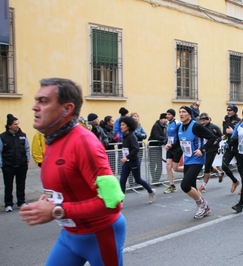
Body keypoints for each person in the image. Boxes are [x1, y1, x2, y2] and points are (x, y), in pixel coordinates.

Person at [19, 78, 125, 265]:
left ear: (66, 109)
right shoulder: (52, 139)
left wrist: (56, 211)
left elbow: (113, 201)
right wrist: (50, 200)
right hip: (70, 235)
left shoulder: (84, 143)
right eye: (36, 100)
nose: (35, 107)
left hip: (100, 235)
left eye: (43, 101)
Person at [172, 106, 216, 219]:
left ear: (189, 114)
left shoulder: (196, 126)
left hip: (197, 160)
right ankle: (205, 207)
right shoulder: (180, 127)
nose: (181, 114)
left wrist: (202, 150)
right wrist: (170, 146)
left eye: (184, 112)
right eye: (180, 112)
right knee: (192, 187)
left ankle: (201, 205)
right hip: (187, 160)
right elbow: (179, 144)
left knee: (184, 185)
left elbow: (212, 138)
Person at [119, 116, 156, 203]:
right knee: (122, 180)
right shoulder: (124, 135)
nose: (121, 126)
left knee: (138, 179)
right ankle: (120, 201)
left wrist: (126, 157)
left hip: (133, 161)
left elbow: (136, 149)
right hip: (126, 162)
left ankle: (151, 192)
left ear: (128, 126)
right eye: (121, 125)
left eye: (123, 125)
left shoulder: (132, 136)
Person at [0, 114, 30, 212]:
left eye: (18, 123)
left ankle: (21, 202)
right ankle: (8, 204)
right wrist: (2, 164)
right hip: (8, 166)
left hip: (21, 164)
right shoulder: (3, 137)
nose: (17, 125)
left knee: (21, 184)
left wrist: (27, 161)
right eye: (15, 124)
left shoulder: (23, 135)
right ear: (9, 126)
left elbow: (27, 149)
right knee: (8, 185)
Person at [198, 113, 224, 193]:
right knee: (206, 164)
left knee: (207, 166)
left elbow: (222, 136)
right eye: (201, 120)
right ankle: (219, 173)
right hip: (203, 148)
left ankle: (203, 186)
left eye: (204, 120)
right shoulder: (200, 127)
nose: (203, 122)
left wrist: (216, 141)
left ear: (209, 119)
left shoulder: (214, 127)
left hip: (212, 148)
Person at [221, 104, 241, 193]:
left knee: (241, 169)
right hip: (229, 147)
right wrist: (224, 136)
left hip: (238, 147)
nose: (228, 111)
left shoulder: (239, 121)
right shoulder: (226, 121)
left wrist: (233, 133)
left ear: (235, 111)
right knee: (224, 166)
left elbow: (242, 136)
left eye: (230, 110)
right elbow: (225, 133)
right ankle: (235, 181)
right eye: (227, 110)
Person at [164, 108, 183, 194]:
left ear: (173, 115)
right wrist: (167, 144)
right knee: (168, 166)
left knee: (175, 168)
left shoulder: (178, 124)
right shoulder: (168, 124)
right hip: (170, 148)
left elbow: (180, 137)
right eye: (166, 114)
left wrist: (172, 145)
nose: (167, 116)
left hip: (177, 148)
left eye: (169, 114)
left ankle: (189, 170)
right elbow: (169, 137)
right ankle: (172, 186)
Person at [148, 113, 168, 183]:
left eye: (166, 119)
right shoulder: (156, 126)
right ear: (160, 119)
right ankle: (154, 179)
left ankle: (157, 179)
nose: (166, 120)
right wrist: (165, 139)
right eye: (164, 119)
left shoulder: (166, 126)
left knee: (160, 163)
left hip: (160, 146)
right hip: (153, 146)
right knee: (153, 163)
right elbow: (156, 136)